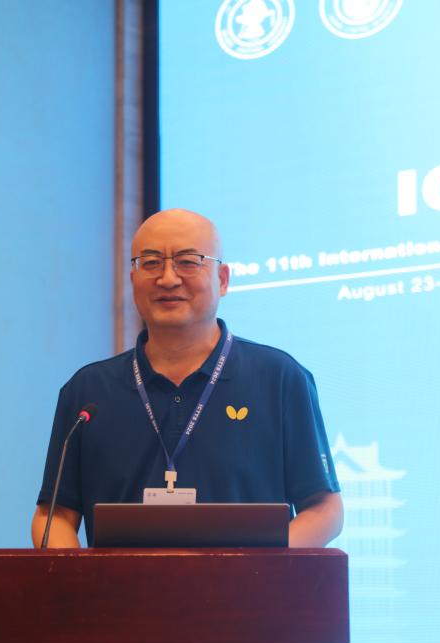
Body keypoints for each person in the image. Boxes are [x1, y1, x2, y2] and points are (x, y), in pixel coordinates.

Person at [31, 209, 343, 548]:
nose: (168, 279)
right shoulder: (88, 392)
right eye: (151, 263)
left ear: (222, 279)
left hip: (249, 584)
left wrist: (258, 569)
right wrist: (77, 576)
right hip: (119, 586)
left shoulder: (280, 379)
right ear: (133, 279)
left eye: (188, 262)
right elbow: (54, 516)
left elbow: (324, 510)